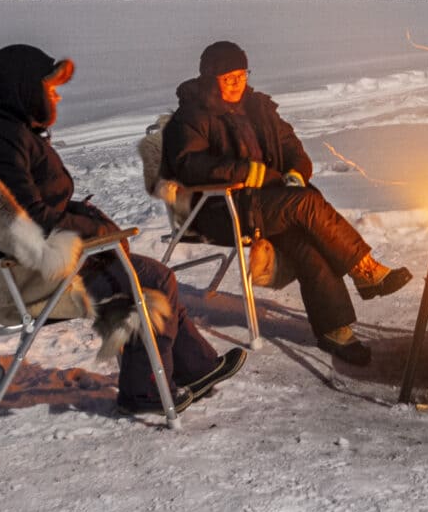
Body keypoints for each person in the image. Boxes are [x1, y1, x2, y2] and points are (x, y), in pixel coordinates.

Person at [0, 43, 244, 414]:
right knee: (151, 282)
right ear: (24, 91)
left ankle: (195, 368)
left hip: (24, 269)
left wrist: (90, 223)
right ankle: (145, 391)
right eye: (49, 88)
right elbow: (32, 218)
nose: (56, 95)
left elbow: (34, 211)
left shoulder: (1, 134)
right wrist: (98, 232)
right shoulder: (4, 143)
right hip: (29, 283)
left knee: (150, 276)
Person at [162, 40, 412, 366]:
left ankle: (334, 330)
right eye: (228, 78)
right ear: (210, 79)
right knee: (305, 205)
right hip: (220, 209)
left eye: (241, 75)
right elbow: (189, 165)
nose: (237, 83)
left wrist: (295, 172)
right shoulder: (191, 117)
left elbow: (292, 147)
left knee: (308, 239)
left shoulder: (259, 108)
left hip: (269, 203)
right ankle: (365, 270)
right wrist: (246, 172)